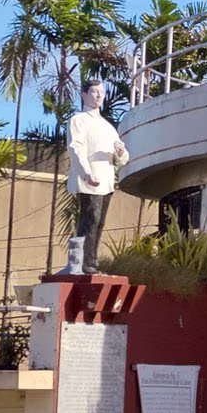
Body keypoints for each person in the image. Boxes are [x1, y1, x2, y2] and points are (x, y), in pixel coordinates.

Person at [64, 80, 129, 274]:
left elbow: (122, 159)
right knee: (90, 219)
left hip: (106, 182)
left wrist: (120, 152)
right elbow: (75, 148)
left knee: (99, 222)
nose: (99, 95)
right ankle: (83, 264)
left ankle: (90, 262)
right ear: (84, 94)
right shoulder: (78, 120)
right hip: (89, 180)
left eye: (102, 92)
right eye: (94, 91)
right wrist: (86, 172)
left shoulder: (108, 127)